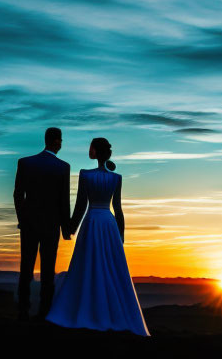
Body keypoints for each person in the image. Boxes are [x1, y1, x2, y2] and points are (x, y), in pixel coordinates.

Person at [46, 137, 149, 336]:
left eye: (90, 147)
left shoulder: (85, 174)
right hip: (108, 223)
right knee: (111, 267)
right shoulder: (116, 177)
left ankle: (86, 309)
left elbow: (80, 205)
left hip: (92, 220)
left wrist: (70, 228)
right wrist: (121, 234)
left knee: (88, 265)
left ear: (95, 151)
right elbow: (118, 209)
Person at [13, 127, 71, 320]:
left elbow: (18, 194)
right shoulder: (63, 167)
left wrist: (22, 219)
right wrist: (66, 228)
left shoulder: (25, 163)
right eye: (61, 140)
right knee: (48, 271)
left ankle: (23, 310)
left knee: (26, 269)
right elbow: (64, 201)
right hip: (51, 225)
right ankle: (45, 312)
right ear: (56, 142)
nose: (61, 144)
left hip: (28, 224)